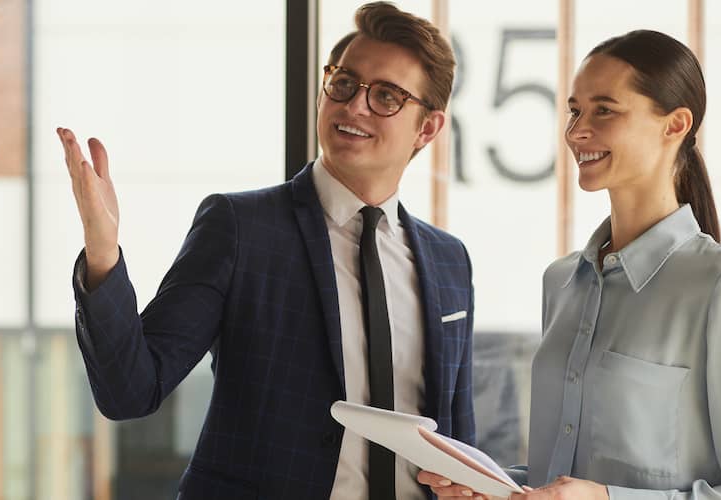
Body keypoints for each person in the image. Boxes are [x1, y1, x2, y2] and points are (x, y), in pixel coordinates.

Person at [57, 2, 475, 499]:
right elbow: (130, 390)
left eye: (386, 96)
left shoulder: (450, 260)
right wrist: (103, 255)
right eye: (343, 83)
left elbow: (457, 443)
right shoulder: (239, 228)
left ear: (426, 128)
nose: (354, 106)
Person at [419, 29, 721, 500]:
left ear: (675, 124)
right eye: (575, 110)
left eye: (605, 110)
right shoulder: (561, 283)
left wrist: (606, 499)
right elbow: (563, 474)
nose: (577, 131)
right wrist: (492, 485)